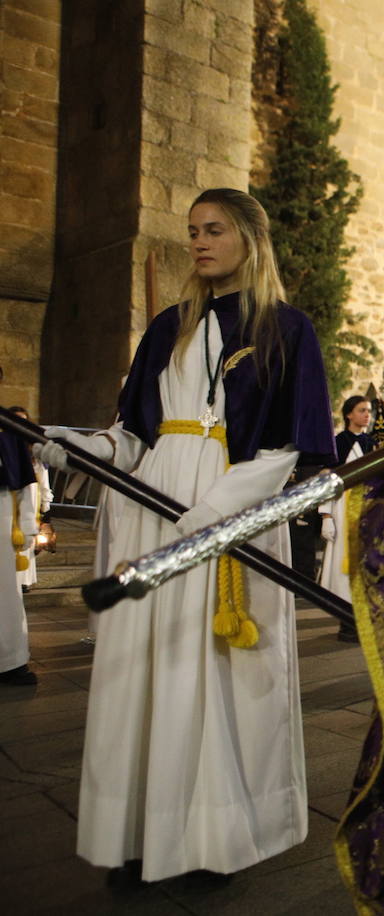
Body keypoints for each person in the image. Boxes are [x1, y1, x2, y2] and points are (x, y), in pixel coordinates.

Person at [38, 188, 335, 885]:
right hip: (153, 511)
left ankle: (211, 837)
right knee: (146, 668)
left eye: (216, 231)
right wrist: (77, 449)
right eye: (194, 231)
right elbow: (134, 438)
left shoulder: (286, 329)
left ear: (251, 240)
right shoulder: (167, 327)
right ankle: (141, 834)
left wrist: (219, 511)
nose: (201, 243)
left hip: (232, 516)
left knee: (216, 675)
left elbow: (296, 447)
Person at [319, 394, 375, 642]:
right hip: (342, 508)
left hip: (364, 509)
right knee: (341, 562)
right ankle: (345, 618)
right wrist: (326, 515)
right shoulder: (338, 443)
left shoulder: (370, 443)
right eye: (362, 410)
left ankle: (361, 618)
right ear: (349, 414)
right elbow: (327, 483)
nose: (367, 415)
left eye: (369, 411)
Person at [1, 367, 39, 686]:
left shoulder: (8, 426)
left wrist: (28, 524)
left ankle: (10, 661)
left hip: (0, 513)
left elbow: (25, 482)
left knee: (5, 591)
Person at [8, 407, 51, 593]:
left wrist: (47, 516)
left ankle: (23, 581)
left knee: (25, 542)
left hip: (30, 503)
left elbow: (44, 485)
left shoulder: (34, 452)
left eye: (23, 421)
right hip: (8, 504)